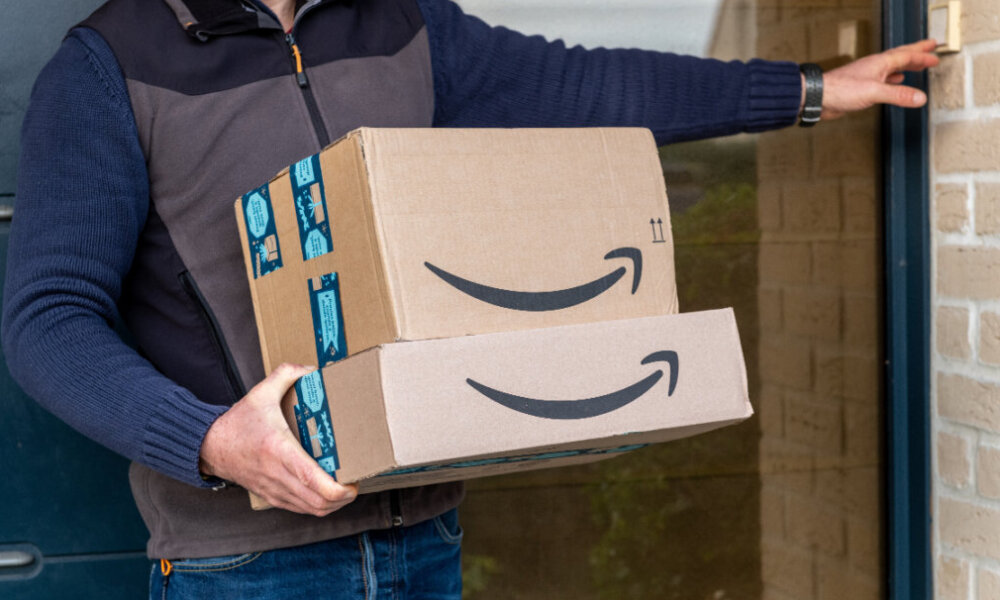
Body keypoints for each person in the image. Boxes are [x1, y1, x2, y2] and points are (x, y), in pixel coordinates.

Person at [2, 0, 938, 597]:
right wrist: (212, 444)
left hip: (424, 537)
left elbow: (585, 86)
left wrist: (809, 89)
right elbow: (47, 320)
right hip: (242, 563)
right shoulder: (110, 66)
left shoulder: (401, 24)